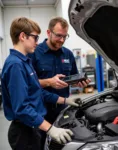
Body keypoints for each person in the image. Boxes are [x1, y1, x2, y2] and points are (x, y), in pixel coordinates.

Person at [1, 17, 80, 150]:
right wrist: (50, 129)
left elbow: (38, 91)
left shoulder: (24, 62)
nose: (37, 42)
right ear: (22, 36)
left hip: (34, 126)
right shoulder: (15, 65)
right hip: (25, 131)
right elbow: (21, 108)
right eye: (35, 38)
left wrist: (65, 100)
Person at [29, 17, 91, 148]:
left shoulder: (68, 54)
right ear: (48, 32)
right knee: (40, 144)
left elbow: (72, 79)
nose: (62, 40)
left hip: (62, 110)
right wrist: (49, 82)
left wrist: (79, 83)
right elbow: (29, 84)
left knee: (61, 145)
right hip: (40, 111)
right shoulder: (34, 53)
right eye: (58, 36)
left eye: (65, 36)